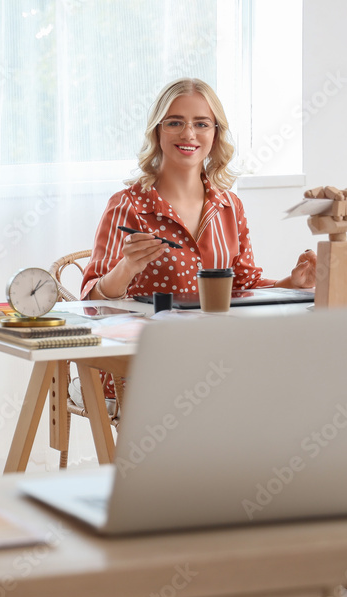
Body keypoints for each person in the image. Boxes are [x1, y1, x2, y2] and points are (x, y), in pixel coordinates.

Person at [80, 77, 316, 397]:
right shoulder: (128, 204)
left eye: (201, 123)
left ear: (215, 133)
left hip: (215, 354)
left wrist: (293, 283)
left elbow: (243, 286)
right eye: (175, 122)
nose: (189, 134)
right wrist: (127, 267)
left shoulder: (229, 206)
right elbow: (90, 303)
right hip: (140, 362)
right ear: (158, 131)